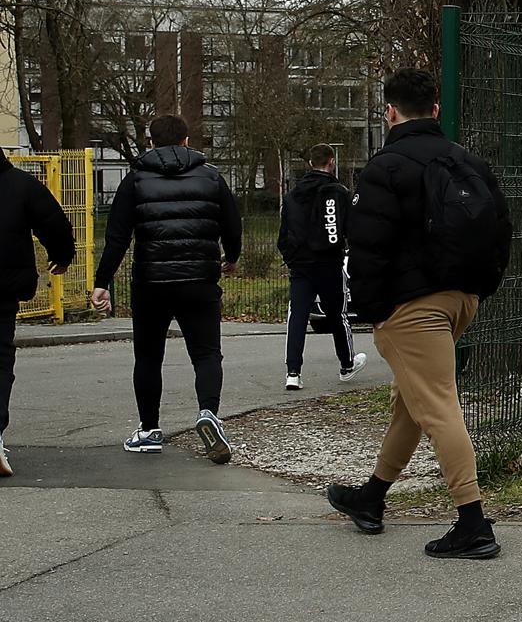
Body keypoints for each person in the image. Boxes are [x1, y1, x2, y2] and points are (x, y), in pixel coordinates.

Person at [326, 69, 512, 560]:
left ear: (389, 111)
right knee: (411, 401)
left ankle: (473, 523)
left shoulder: (385, 165)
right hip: (462, 299)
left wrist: (374, 311)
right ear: (435, 109)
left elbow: (367, 245)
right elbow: (502, 227)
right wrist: (481, 287)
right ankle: (372, 497)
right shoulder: (465, 160)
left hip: (412, 306)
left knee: (436, 405)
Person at [90, 115, 243, 463]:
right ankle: (208, 414)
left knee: (148, 356)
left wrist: (102, 283)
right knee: (206, 354)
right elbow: (232, 226)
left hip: (151, 283)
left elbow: (117, 238)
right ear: (187, 141)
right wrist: (231, 257)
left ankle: (149, 430)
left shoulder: (135, 180)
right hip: (199, 280)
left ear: (151, 143)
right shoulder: (211, 177)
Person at [0, 148, 77, 477]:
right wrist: (62, 254)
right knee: (0, 358)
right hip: (2, 288)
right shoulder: (20, 185)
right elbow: (54, 223)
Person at [278, 143, 366, 390]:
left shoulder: (293, 194)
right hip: (329, 261)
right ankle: (346, 364)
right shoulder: (338, 192)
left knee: (297, 316)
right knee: (337, 314)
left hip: (301, 265)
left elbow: (283, 235)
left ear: (309, 163)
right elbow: (350, 228)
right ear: (331, 162)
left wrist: (291, 257)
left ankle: (293, 372)